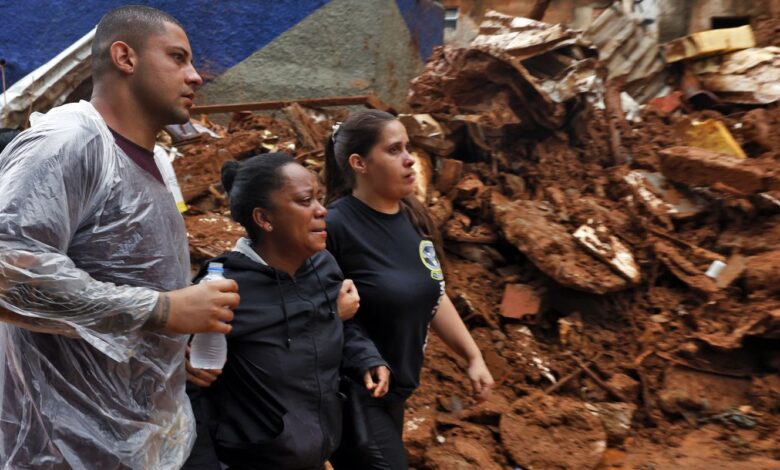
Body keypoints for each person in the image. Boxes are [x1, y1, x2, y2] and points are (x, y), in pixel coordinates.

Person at [0, 6, 239, 468]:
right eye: (178, 58)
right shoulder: (72, 140)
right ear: (125, 57)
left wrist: (169, 331)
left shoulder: (148, 164)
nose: (195, 77)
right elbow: (8, 268)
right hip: (60, 448)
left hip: (132, 440)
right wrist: (161, 309)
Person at [183, 153, 391, 470]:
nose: (322, 211)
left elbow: (332, 321)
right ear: (265, 219)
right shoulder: (222, 289)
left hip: (317, 454)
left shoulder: (323, 267)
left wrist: (364, 356)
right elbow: (189, 391)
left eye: (319, 199)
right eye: (306, 201)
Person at [324, 110, 495, 469]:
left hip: (396, 389)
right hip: (352, 393)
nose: (410, 159)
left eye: (409, 148)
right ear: (359, 163)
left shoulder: (413, 218)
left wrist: (473, 357)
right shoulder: (334, 226)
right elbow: (320, 308)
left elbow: (433, 294)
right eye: (394, 149)